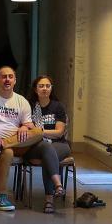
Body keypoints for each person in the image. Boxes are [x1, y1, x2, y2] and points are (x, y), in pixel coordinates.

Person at [0, 66, 43, 211]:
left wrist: (25, 127)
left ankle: (1, 146)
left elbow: (29, 124)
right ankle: (0, 198)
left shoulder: (22, 101)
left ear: (15, 81)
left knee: (39, 132)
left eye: (10, 77)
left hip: (15, 142)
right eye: (4, 76)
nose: (7, 79)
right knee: (7, 153)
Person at [21, 74, 73, 214]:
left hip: (60, 145)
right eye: (41, 86)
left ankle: (49, 200)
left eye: (48, 86)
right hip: (34, 146)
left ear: (51, 89)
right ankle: (58, 185)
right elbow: (26, 128)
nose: (45, 89)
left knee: (48, 152)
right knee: (46, 149)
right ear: (35, 89)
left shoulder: (58, 107)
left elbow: (59, 132)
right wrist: (40, 133)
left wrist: (40, 132)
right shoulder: (28, 106)